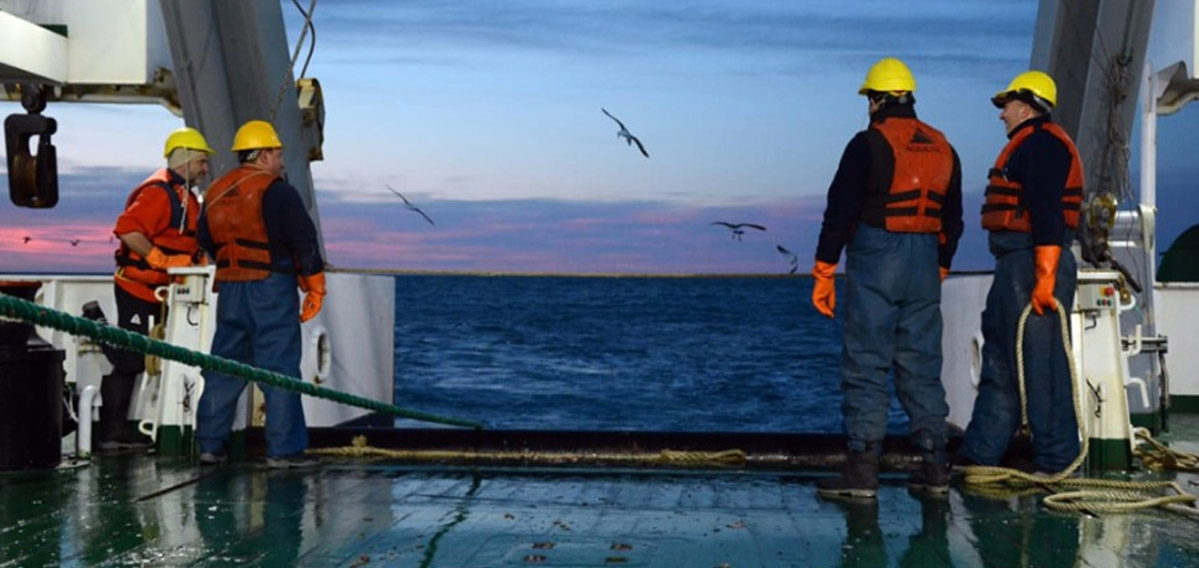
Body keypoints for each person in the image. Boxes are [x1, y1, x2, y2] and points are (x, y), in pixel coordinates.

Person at [811, 57, 964, 498]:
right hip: (925, 262)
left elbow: (840, 211)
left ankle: (861, 471)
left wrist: (824, 270)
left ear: (877, 100)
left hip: (879, 259)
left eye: (869, 99)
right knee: (922, 365)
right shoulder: (944, 147)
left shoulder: (867, 144)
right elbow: (952, 218)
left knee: (866, 362)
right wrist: (940, 264)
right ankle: (935, 466)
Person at [955, 70, 1081, 474]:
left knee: (1042, 367)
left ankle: (1057, 461)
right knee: (1001, 363)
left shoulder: (1042, 146)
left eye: (1006, 106)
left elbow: (1046, 214)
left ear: (1026, 107)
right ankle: (980, 455)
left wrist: (1045, 279)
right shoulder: (1031, 146)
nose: (1001, 114)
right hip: (1015, 265)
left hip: (1032, 263)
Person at [195, 119, 326, 468]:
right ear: (264, 155)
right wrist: (315, 286)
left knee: (223, 368)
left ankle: (209, 446)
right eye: (278, 154)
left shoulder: (215, 191)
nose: (281, 162)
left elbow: (205, 239)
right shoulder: (278, 191)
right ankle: (284, 451)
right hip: (270, 288)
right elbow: (304, 240)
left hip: (230, 290)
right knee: (279, 369)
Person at [104, 127, 213, 450]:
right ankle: (110, 434)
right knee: (130, 360)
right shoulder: (159, 193)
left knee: (140, 356)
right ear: (186, 159)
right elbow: (127, 229)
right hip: (137, 289)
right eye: (202, 162)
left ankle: (118, 431)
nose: (205, 169)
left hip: (162, 292)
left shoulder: (186, 197)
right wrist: (160, 259)